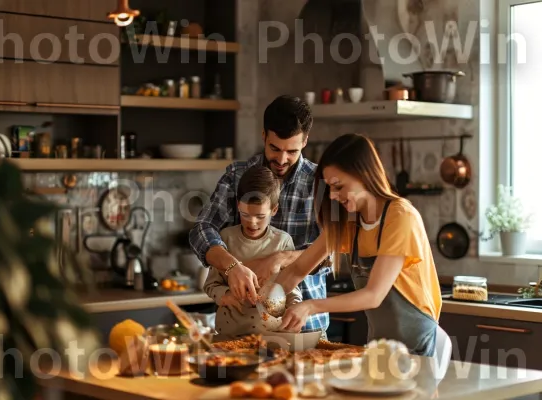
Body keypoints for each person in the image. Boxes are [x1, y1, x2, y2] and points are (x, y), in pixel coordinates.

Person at [274, 133, 450, 363]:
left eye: (339, 186)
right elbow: (298, 270)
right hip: (380, 348)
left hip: (421, 348)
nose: (334, 196)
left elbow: (373, 295)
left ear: (364, 175)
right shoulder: (349, 222)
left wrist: (310, 306)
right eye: (330, 189)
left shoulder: (400, 216)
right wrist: (264, 301)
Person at [190, 95, 331, 332]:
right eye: (275, 148)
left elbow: (333, 252)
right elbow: (202, 230)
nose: (282, 159)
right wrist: (232, 267)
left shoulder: (321, 183)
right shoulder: (237, 176)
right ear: (264, 135)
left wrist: (278, 259)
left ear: (305, 141)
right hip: (244, 328)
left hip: (305, 327)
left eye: (292, 151)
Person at [203, 166, 302, 335]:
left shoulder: (283, 241)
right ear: (238, 206)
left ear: (274, 210)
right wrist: (226, 295)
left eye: (260, 216)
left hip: (273, 335)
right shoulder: (225, 239)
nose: (252, 223)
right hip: (230, 333)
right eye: (245, 214)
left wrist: (295, 307)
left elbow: (291, 287)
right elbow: (211, 284)